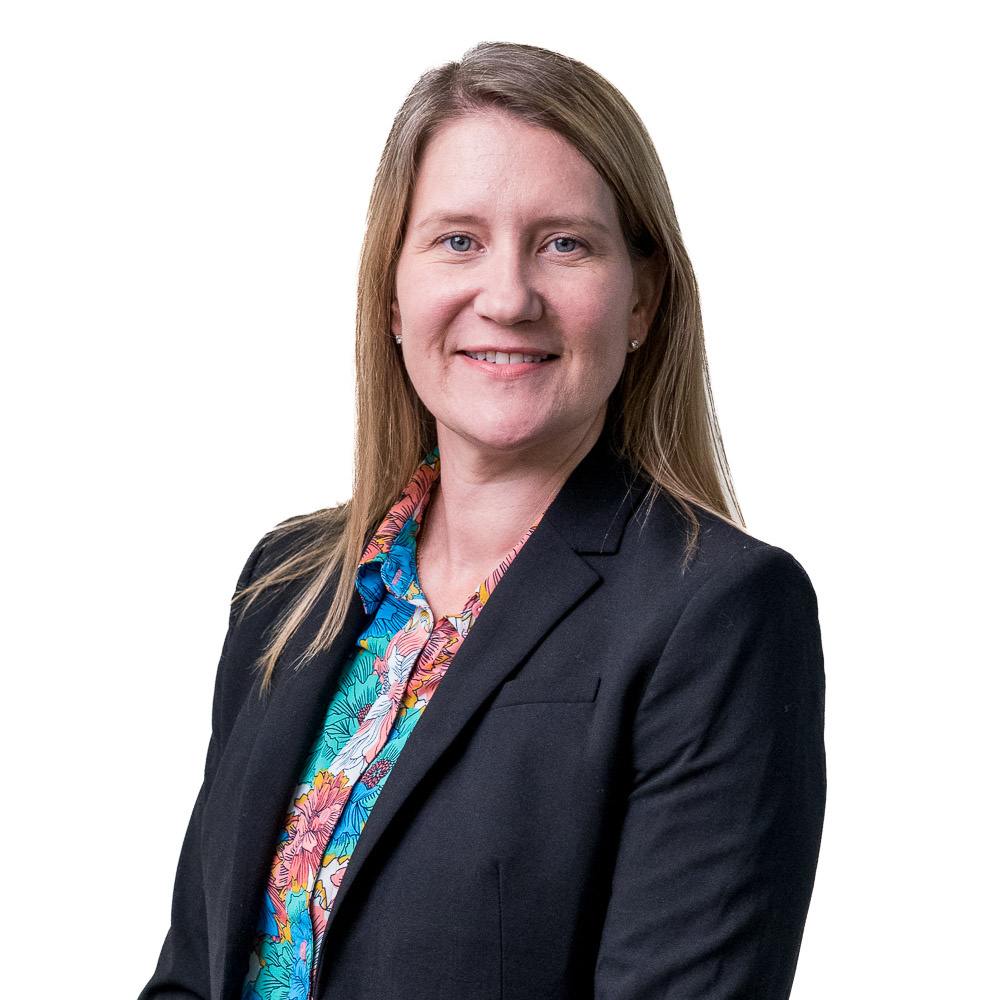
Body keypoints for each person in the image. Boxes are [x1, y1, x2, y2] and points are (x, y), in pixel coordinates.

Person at [140, 41, 826, 1000]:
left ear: (643, 298)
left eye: (565, 243)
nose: (506, 297)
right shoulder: (289, 590)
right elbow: (191, 973)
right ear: (392, 291)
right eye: (458, 240)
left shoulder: (717, 612)